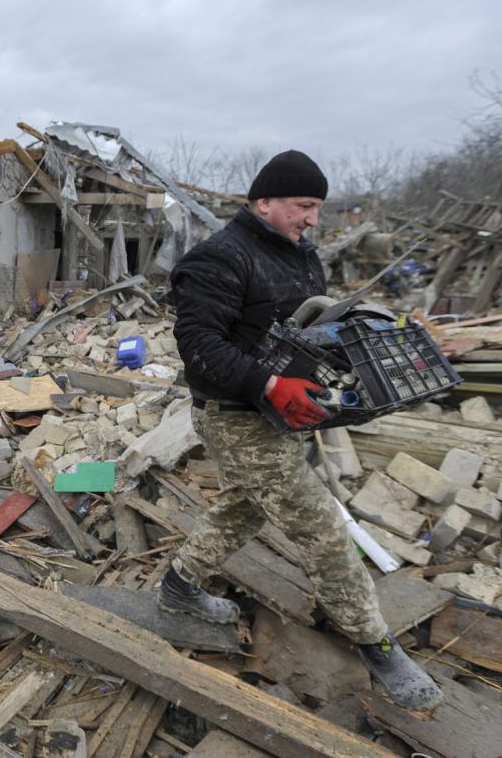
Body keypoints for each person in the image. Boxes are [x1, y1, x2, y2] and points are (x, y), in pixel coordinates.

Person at [161, 150, 443, 712]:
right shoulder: (220, 259)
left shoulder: (298, 255)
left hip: (286, 412)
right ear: (263, 202)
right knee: (321, 529)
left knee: (246, 506)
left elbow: (311, 324)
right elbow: (199, 347)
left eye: (317, 207)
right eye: (303, 206)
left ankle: (179, 586)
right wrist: (268, 384)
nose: (313, 218)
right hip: (235, 414)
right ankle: (376, 644)